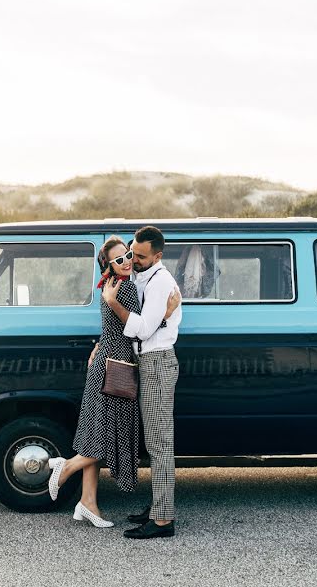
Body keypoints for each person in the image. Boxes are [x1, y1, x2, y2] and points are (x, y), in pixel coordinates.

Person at [47, 236, 180, 528]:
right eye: (120, 259)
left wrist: (100, 343)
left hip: (107, 361)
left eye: (130, 255)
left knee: (97, 429)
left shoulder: (113, 285)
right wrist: (167, 313)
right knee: (109, 433)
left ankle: (88, 502)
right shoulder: (126, 287)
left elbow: (117, 326)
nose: (128, 261)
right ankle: (66, 466)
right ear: (108, 265)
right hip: (117, 366)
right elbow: (139, 329)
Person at [102, 225, 182, 540]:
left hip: (157, 363)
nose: (133, 259)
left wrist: (113, 303)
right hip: (149, 363)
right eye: (132, 253)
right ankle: (157, 509)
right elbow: (150, 318)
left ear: (158, 256)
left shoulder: (160, 280)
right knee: (154, 442)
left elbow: (144, 329)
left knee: (160, 444)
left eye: (140, 255)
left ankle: (163, 521)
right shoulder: (144, 273)